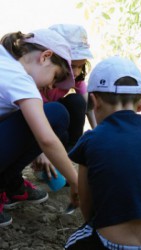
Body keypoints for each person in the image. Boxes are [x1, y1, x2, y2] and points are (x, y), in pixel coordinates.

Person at [65, 56, 141, 249]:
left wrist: (94, 223)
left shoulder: (91, 138)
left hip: (110, 243)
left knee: (71, 244)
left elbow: (86, 199)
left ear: (94, 101)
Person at [0, 29, 79, 227]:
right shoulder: (20, 79)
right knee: (55, 113)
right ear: (45, 57)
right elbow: (47, 139)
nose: (52, 86)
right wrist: (77, 182)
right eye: (55, 76)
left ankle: (9, 184)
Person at [31, 24, 96, 178]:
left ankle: (70, 153)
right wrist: (40, 151)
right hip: (39, 123)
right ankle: (48, 159)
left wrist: (100, 133)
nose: (75, 72)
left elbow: (89, 108)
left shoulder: (75, 78)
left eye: (80, 66)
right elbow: (30, 118)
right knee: (55, 110)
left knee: (77, 101)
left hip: (58, 123)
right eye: (72, 65)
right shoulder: (37, 79)